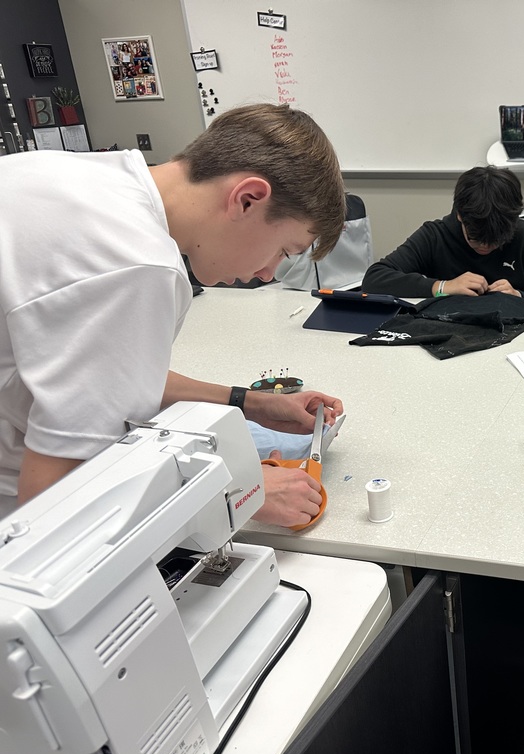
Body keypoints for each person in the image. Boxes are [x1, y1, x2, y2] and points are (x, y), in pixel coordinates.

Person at [0, 103, 346, 529]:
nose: (267, 273)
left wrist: (252, 404)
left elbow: (108, 375)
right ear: (247, 199)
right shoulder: (135, 265)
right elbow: (54, 506)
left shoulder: (67, 174)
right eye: (283, 251)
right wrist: (242, 490)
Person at [361, 165, 524, 301]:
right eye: (475, 240)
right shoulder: (435, 236)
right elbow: (374, 279)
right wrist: (442, 287)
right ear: (459, 215)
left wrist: (519, 296)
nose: (485, 247)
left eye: (495, 243)